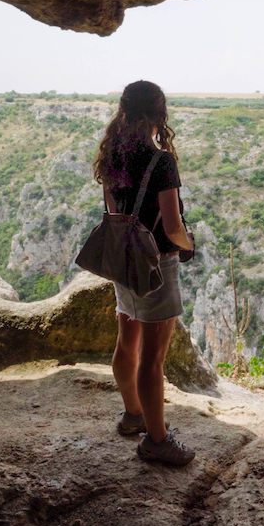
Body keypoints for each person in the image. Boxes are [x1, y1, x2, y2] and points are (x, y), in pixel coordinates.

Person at [93, 80, 197, 466]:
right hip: (156, 262)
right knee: (152, 358)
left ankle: (132, 414)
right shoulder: (161, 160)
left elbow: (113, 214)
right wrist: (190, 245)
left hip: (123, 258)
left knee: (127, 339)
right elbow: (172, 228)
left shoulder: (112, 156)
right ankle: (157, 440)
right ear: (159, 113)